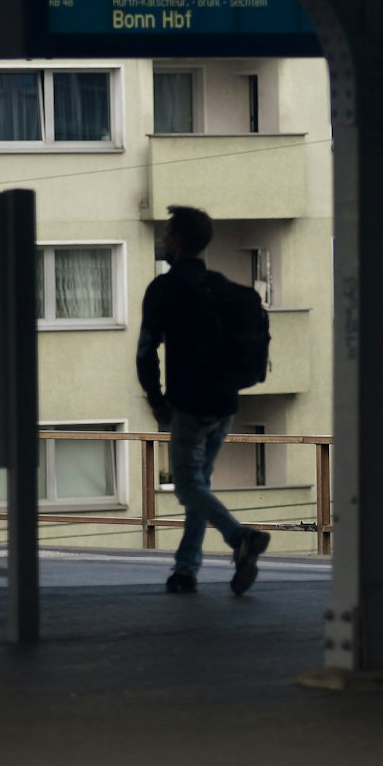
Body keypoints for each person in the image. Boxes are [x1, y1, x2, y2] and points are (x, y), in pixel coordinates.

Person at [137, 204, 271, 595]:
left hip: (190, 403)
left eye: (167, 232)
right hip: (226, 402)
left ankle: (239, 537)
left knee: (187, 486)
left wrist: (155, 398)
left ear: (177, 240)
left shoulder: (164, 289)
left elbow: (147, 350)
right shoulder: (222, 287)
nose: (163, 238)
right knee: (200, 483)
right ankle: (185, 570)